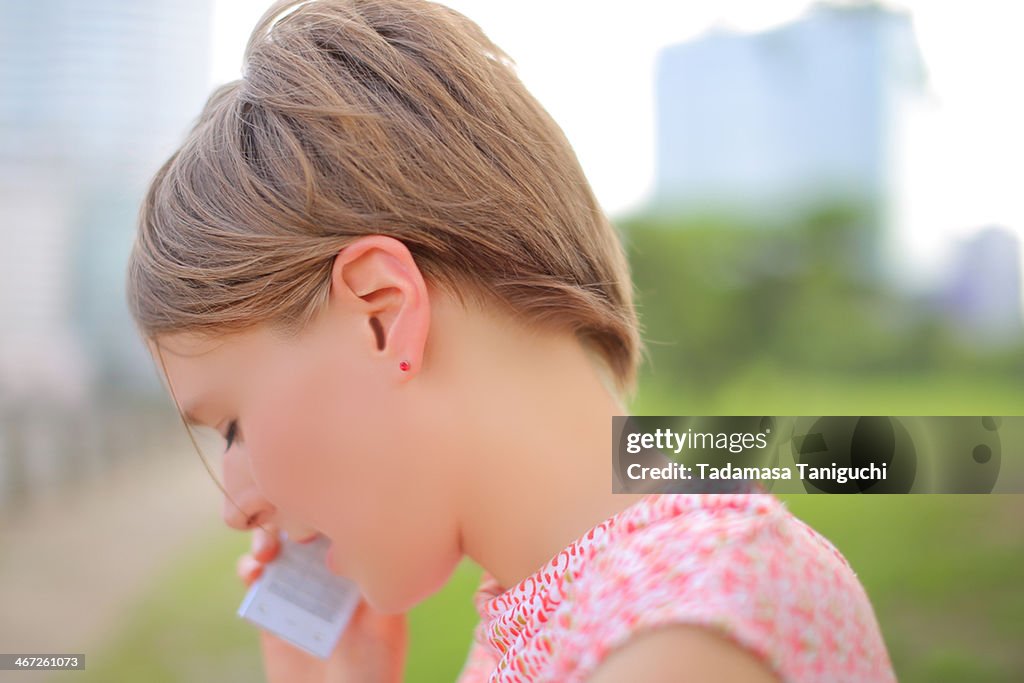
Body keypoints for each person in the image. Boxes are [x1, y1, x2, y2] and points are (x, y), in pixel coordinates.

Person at [125, 0, 897, 680]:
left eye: (231, 426)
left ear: (382, 312)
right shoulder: (583, 610)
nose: (238, 505)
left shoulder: (679, 638)